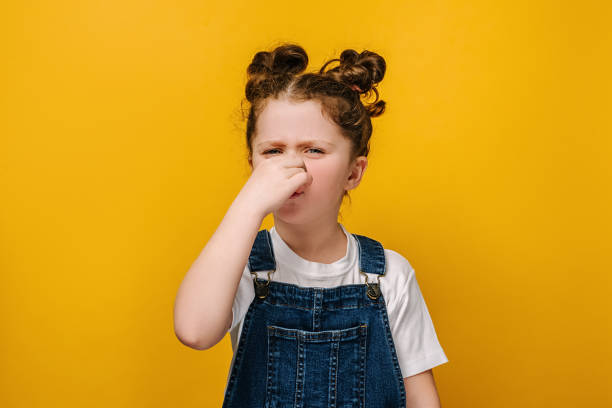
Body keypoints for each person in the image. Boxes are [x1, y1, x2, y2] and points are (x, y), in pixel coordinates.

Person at [174, 42, 449, 407]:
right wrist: (248, 205)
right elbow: (194, 331)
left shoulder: (388, 276)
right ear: (253, 165)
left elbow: (420, 399)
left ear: (353, 172)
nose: (292, 167)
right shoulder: (241, 266)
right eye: (273, 151)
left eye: (313, 150)